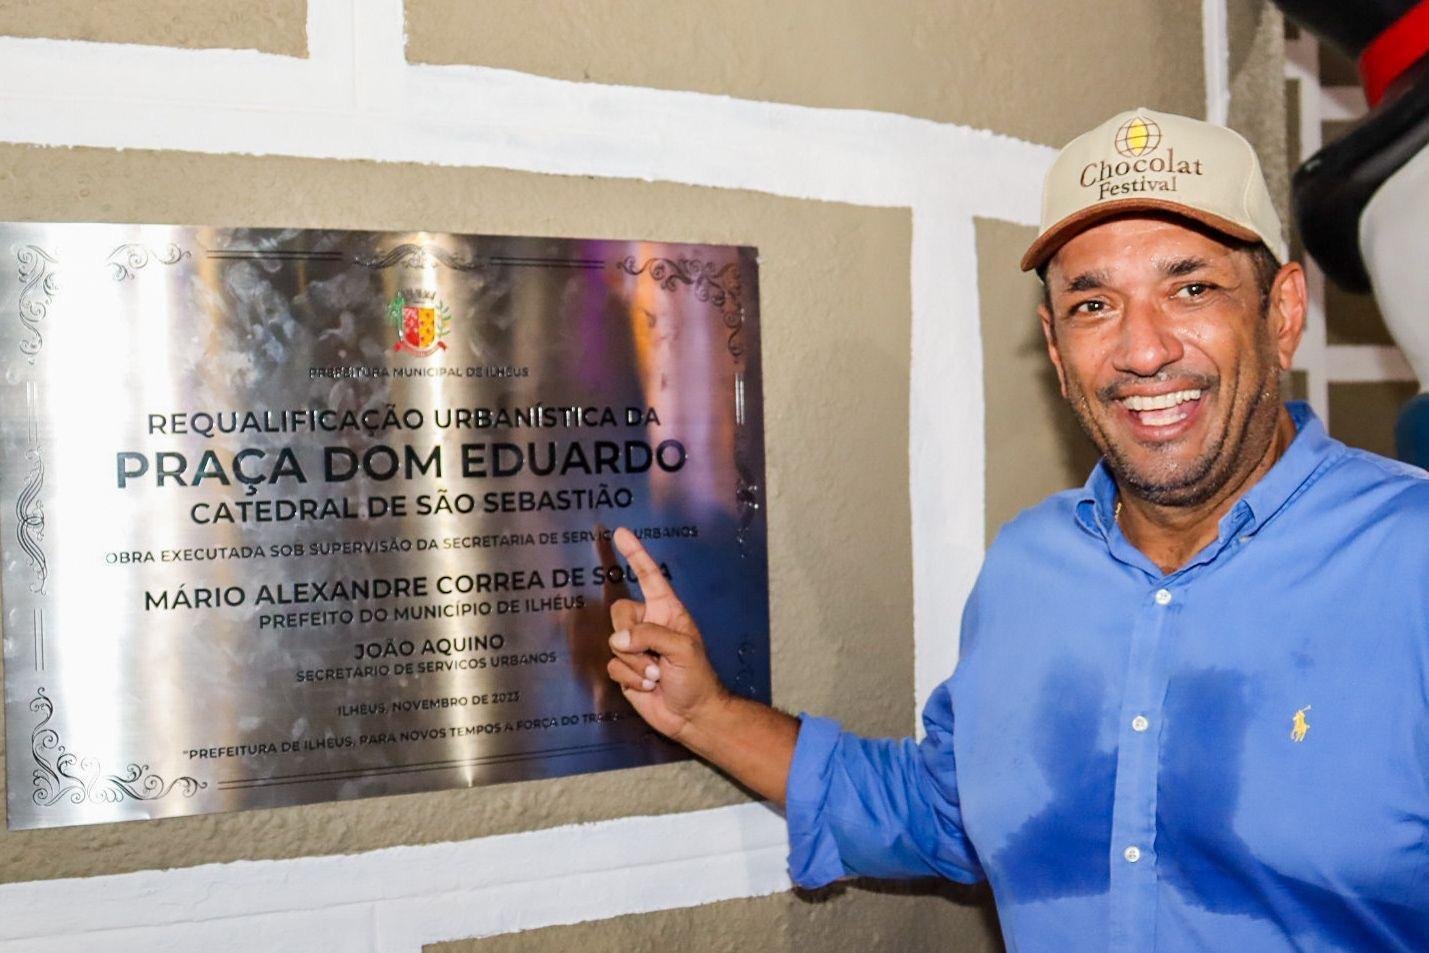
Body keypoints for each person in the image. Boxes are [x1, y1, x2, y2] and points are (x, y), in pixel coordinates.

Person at [604, 108, 1429, 951]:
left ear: (1281, 311)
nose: (1142, 349)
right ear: (1054, 342)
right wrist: (702, 711)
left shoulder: (1410, 558)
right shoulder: (1028, 568)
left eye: (1190, 288)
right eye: (1093, 302)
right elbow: (938, 809)